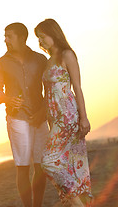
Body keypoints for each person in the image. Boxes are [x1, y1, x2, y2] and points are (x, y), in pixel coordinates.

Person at [34, 19, 93, 206]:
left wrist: (84, 117)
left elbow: (77, 87)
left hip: (67, 115)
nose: (40, 42)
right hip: (55, 118)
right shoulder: (49, 59)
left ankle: (76, 200)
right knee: (68, 163)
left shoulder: (67, 55)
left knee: (48, 161)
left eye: (42, 37)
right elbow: (47, 94)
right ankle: (77, 200)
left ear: (54, 34)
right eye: (38, 38)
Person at [0, 23, 49, 207]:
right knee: (23, 166)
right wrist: (8, 98)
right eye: (5, 36)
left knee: (41, 167)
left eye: (9, 36)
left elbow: (50, 89)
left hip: (40, 118)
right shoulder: (1, 63)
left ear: (22, 38)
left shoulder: (40, 60)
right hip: (17, 119)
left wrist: (43, 111)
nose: (5, 40)